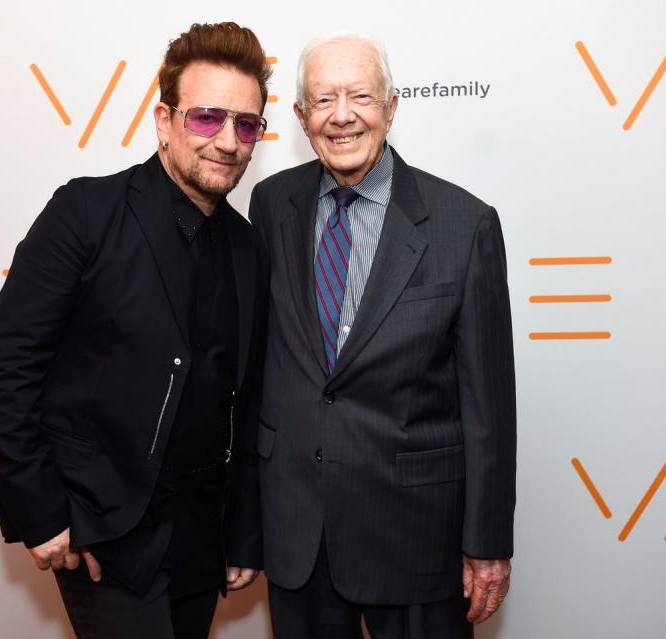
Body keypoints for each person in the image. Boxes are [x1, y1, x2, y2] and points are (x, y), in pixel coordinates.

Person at [0, 22, 271, 639]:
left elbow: (248, 405)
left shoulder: (248, 247)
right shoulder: (86, 212)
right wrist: (41, 510)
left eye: (246, 125)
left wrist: (243, 533)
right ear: (164, 121)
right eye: (207, 117)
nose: (228, 141)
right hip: (103, 534)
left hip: (200, 541)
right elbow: (4, 368)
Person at [248, 33, 516, 639]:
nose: (341, 115)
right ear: (299, 117)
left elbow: (489, 407)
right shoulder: (270, 205)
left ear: (392, 107)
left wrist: (488, 542)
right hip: (299, 534)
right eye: (322, 100)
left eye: (360, 96)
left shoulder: (464, 223)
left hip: (416, 535)